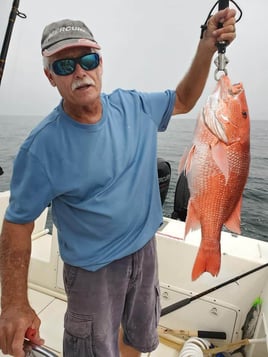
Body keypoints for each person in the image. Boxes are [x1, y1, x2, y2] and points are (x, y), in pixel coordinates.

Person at [0, 8, 236, 357]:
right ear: (51, 77)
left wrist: (206, 46)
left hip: (144, 252)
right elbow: (18, 225)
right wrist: (14, 303)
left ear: (100, 62)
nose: (80, 72)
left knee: (137, 337)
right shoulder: (41, 148)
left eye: (88, 59)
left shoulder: (134, 106)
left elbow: (184, 100)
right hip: (92, 271)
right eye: (65, 66)